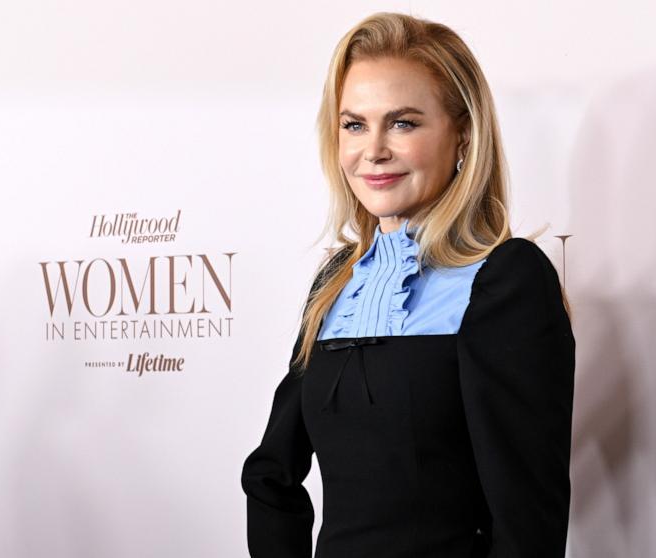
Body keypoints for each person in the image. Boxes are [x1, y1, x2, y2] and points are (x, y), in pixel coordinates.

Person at [241, 12, 575, 558]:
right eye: (354, 124)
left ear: (462, 132)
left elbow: (526, 522)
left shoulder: (507, 280)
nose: (373, 150)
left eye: (403, 123)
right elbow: (270, 473)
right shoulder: (335, 281)